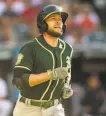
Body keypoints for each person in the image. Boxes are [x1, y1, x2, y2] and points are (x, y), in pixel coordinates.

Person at [12, 5, 73, 116]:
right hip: (29, 108)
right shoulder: (30, 47)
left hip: (54, 107)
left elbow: (66, 73)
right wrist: (50, 75)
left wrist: (65, 87)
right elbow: (19, 80)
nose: (59, 22)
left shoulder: (67, 49)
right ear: (42, 24)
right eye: (53, 19)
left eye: (60, 20)